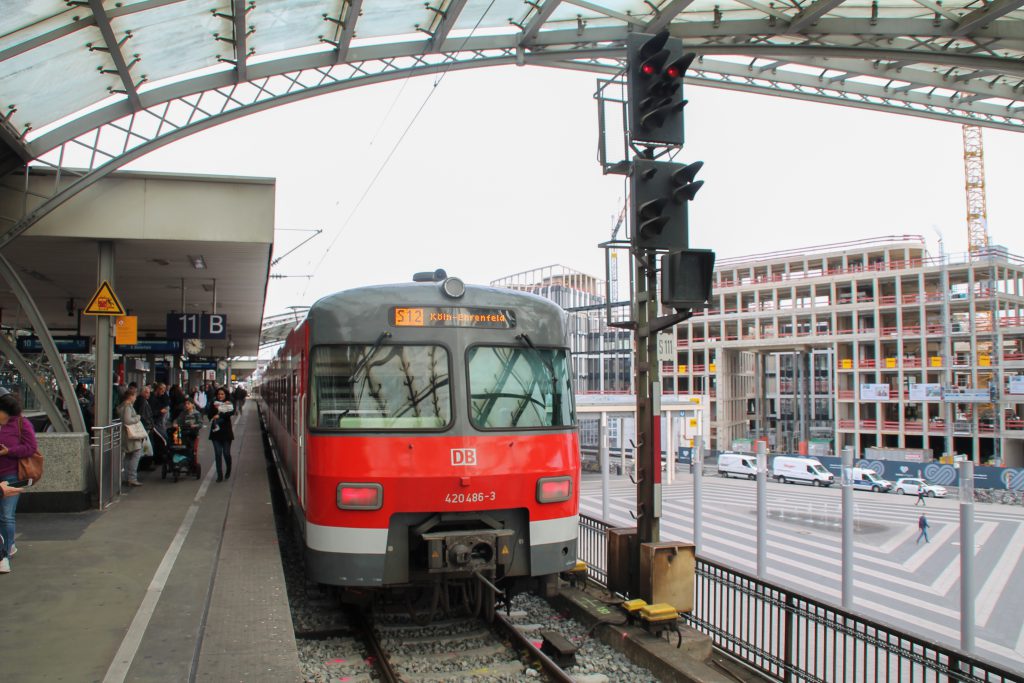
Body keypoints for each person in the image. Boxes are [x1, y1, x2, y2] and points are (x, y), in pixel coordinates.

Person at [0, 393, 39, 574]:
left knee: (6, 515)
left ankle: (4, 554)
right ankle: (8, 546)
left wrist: (9, 451)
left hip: (11, 474)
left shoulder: (22, 424)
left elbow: (30, 448)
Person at [117, 387, 146, 488]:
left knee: (128, 456)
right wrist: (137, 418)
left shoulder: (122, 405)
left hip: (125, 434)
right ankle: (132, 478)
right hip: (131, 435)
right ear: (131, 396)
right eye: (135, 396)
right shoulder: (128, 406)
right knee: (137, 453)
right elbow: (127, 420)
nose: (136, 398)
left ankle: (125, 477)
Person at [209, 387, 235, 482]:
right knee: (218, 453)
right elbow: (209, 414)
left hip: (226, 432)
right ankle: (219, 475)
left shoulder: (229, 403)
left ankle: (228, 469)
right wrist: (213, 414)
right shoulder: (213, 404)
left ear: (225, 395)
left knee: (226, 453)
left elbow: (231, 412)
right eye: (219, 394)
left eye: (222, 394)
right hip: (215, 432)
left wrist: (220, 414)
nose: (220, 396)